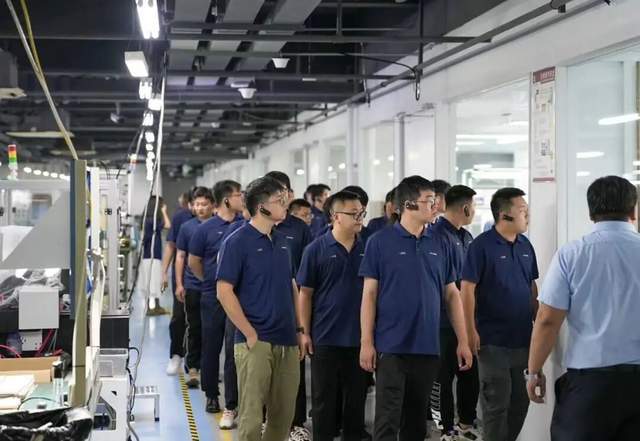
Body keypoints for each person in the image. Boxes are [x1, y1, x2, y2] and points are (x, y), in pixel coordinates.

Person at [359, 175, 473, 441]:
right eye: (430, 201)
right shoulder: (379, 242)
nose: (437, 207)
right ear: (409, 205)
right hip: (391, 346)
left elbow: (452, 294)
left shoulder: (441, 242)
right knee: (387, 420)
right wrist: (366, 342)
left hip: (427, 346)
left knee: (417, 423)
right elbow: (369, 295)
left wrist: (463, 341)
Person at [527, 176, 640, 441]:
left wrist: (533, 371)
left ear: (591, 213)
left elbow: (547, 319)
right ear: (633, 211)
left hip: (589, 387)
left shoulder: (572, 254)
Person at [216, 176, 305, 441]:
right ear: (262, 207)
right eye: (279, 200)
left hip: (287, 340)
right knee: (252, 416)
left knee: (283, 416)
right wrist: (249, 333)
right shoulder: (237, 242)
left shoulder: (282, 241)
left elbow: (292, 285)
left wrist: (299, 329)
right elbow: (224, 291)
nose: (285, 203)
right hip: (255, 341)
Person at [460, 187, 539, 441]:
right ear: (504, 215)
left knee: (520, 402)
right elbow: (467, 290)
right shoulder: (481, 246)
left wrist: (539, 321)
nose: (527, 215)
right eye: (523, 210)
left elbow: (531, 285)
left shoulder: (526, 245)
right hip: (492, 341)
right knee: (496, 404)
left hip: (523, 341)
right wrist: (469, 331)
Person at [297, 190, 368, 441]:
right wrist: (304, 332)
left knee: (356, 403)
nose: (360, 218)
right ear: (336, 216)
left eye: (362, 213)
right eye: (353, 213)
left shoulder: (368, 248)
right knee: (323, 402)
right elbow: (305, 294)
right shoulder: (315, 250)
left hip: (360, 339)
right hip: (325, 338)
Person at [429, 185, 481, 441]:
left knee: (469, 374)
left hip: (466, 320)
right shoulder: (436, 236)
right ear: (466, 208)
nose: (475, 210)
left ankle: (465, 424)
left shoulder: (467, 237)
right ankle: (444, 428)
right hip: (441, 322)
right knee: (442, 379)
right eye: (474, 205)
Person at [265, 171, 314, 441]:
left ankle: (296, 422)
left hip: (291, 305)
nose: (282, 197)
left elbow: (305, 273)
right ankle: (266, 420)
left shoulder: (299, 228)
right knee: (264, 369)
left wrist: (301, 321)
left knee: (294, 367)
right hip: (262, 310)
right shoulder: (254, 227)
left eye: (285, 191)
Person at [188, 180, 243, 417]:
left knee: (233, 349)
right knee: (211, 346)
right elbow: (194, 262)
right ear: (227, 200)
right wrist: (210, 281)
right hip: (212, 296)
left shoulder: (244, 226)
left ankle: (233, 400)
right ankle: (211, 393)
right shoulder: (205, 229)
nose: (243, 199)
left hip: (237, 296)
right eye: (239, 195)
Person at [176, 186, 215, 388]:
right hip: (193, 286)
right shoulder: (187, 228)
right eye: (197, 204)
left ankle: (210, 368)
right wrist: (179, 283)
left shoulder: (221, 226)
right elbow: (180, 256)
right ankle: (193, 367)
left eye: (204, 204)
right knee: (195, 327)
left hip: (216, 288)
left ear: (212, 205)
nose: (200, 208)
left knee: (213, 330)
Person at [161, 191, 194, 375]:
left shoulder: (213, 220)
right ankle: (176, 355)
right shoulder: (181, 217)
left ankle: (195, 362)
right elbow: (171, 245)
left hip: (204, 280)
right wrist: (164, 273)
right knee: (179, 316)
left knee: (200, 322)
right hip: (181, 276)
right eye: (196, 203)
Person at [140, 195, 171, 315]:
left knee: (150, 280)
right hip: (153, 255)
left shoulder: (147, 220)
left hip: (148, 255)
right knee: (153, 280)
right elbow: (168, 225)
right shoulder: (152, 221)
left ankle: (153, 307)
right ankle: (154, 307)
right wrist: (164, 212)